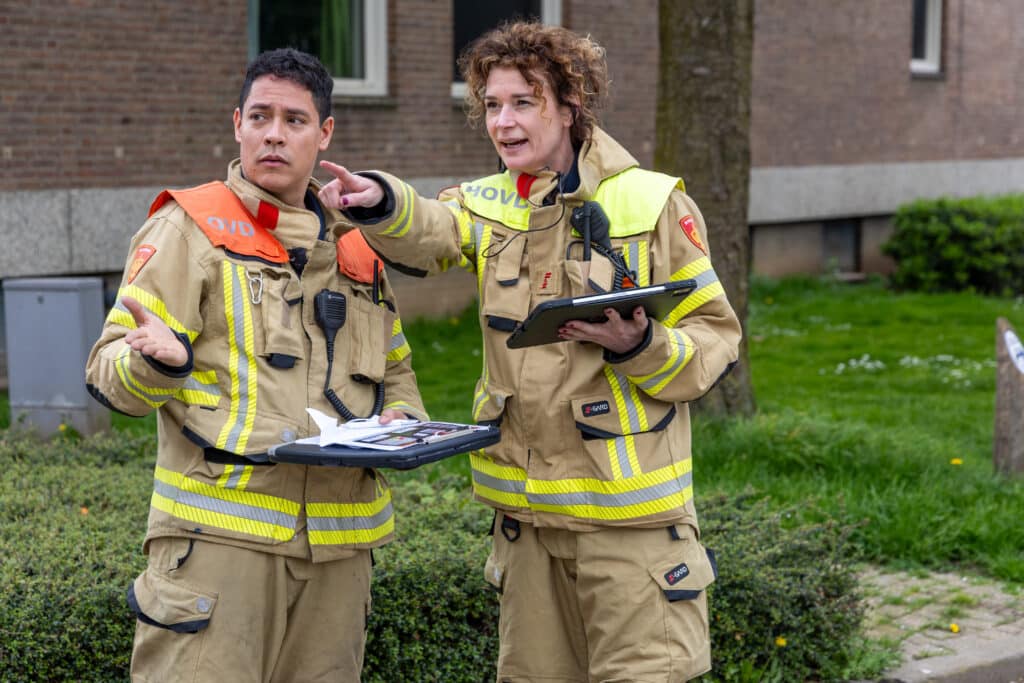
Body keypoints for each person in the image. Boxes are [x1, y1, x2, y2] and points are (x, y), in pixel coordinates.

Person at [317, 21, 742, 682]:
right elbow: (431, 230)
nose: (503, 121)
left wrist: (641, 344)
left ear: (571, 105)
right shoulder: (488, 203)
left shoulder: (651, 202)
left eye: (523, 102)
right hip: (526, 529)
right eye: (491, 104)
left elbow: (717, 337)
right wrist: (380, 201)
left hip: (630, 531)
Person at [85, 48, 426, 682]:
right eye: (261, 117)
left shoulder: (357, 246)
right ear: (237, 123)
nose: (274, 134)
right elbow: (109, 372)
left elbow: (396, 368)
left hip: (339, 554)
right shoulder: (188, 229)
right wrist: (164, 367)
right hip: (219, 552)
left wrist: (405, 420)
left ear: (324, 135)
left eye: (295, 120)